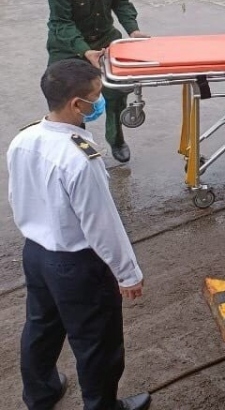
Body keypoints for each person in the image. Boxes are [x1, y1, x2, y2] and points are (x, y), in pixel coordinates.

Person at [10, 59, 150, 410]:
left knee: (41, 327)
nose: (98, 102)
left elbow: (18, 197)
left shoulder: (24, 139)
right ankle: (102, 406)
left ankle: (40, 393)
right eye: (96, 96)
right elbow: (102, 225)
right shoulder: (80, 159)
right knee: (97, 342)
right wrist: (128, 273)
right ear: (77, 104)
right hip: (77, 264)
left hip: (37, 253)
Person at [46, 0, 149, 164]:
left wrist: (133, 31)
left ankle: (116, 138)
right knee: (71, 98)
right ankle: (76, 146)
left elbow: (121, 1)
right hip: (70, 45)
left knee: (116, 91)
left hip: (104, 37)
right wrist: (84, 51)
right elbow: (62, 22)